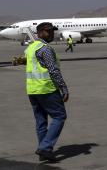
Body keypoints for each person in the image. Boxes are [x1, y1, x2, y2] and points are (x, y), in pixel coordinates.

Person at [25, 22, 69, 162]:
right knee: (60, 116)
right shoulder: (45, 49)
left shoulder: (31, 47)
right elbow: (53, 70)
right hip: (46, 89)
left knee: (41, 121)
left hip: (32, 90)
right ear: (39, 33)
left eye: (52, 31)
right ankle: (45, 147)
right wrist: (63, 87)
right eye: (47, 31)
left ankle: (45, 151)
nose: (51, 33)